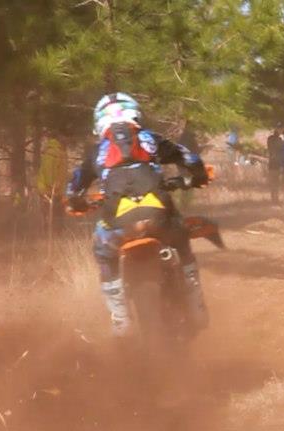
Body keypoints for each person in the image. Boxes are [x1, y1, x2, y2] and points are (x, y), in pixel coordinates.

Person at [65, 92, 211, 336]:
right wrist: (199, 176)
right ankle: (196, 304)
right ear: (135, 114)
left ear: (100, 122)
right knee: (181, 236)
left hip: (118, 225)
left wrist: (77, 203)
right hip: (159, 218)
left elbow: (73, 187)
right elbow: (189, 157)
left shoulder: (96, 152)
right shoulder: (149, 139)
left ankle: (120, 319)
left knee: (103, 251)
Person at [266, 122, 284, 205]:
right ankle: (274, 200)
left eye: (281, 128)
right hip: (274, 164)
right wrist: (282, 140)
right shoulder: (271, 139)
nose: (280, 130)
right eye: (278, 128)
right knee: (274, 183)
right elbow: (274, 148)